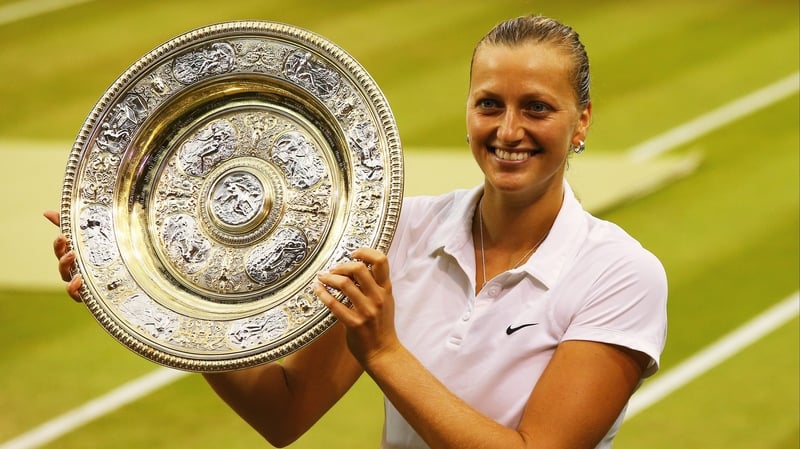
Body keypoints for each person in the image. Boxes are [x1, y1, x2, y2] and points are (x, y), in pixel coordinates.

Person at [46, 14, 667, 449]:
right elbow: (286, 411)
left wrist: (385, 353)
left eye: (536, 107)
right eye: (488, 104)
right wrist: (147, 293)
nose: (508, 130)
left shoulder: (619, 274)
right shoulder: (395, 230)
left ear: (580, 121)